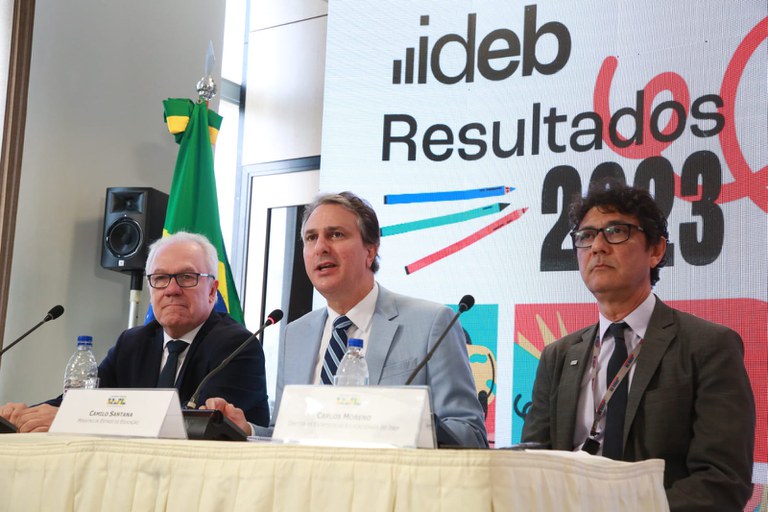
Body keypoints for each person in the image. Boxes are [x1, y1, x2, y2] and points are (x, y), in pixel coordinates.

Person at [521, 180, 755, 511]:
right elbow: (532, 466)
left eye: (616, 231)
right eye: (586, 236)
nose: (597, 246)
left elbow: (722, 481)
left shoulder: (708, 347)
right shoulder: (558, 356)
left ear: (656, 250)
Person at [206, 191, 488, 447]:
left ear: (370, 251)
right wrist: (246, 429)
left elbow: (469, 433)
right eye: (311, 238)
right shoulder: (296, 334)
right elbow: (287, 434)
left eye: (336, 235)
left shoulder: (432, 323)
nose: (321, 247)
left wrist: (403, 422)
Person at [0, 232, 270, 431]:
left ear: (212, 291)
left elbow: (200, 424)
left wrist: (69, 419)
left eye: (186, 277)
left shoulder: (237, 346)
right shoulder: (133, 342)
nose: (172, 289)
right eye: (160, 278)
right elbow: (87, 399)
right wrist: (24, 415)